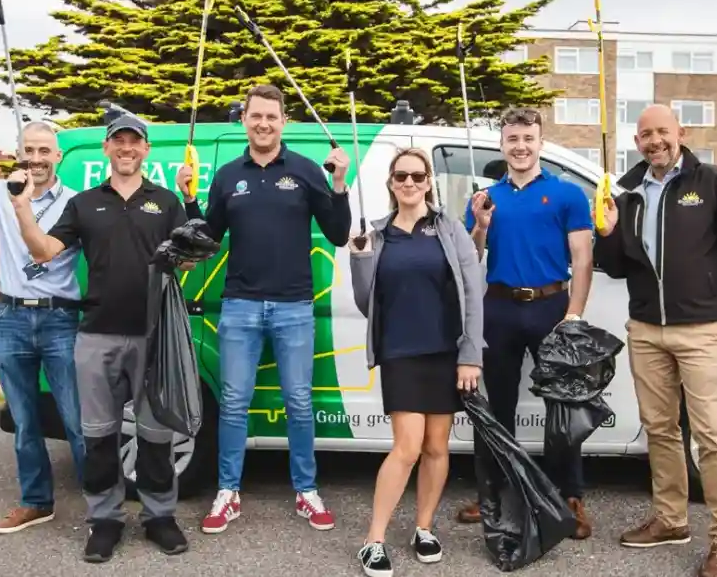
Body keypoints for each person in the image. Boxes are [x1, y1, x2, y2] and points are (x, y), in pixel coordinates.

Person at [593, 104, 717, 577]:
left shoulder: (714, 183)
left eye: (662, 131)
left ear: (680, 133)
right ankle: (670, 519)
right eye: (645, 134)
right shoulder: (627, 193)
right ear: (636, 142)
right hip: (645, 330)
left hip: (702, 330)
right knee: (660, 430)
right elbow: (618, 267)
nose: (654, 141)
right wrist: (606, 233)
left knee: (713, 438)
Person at [10, 115, 196, 563]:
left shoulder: (167, 201)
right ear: (107, 149)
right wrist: (20, 206)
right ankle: (105, 520)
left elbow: (190, 259)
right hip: (96, 334)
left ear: (145, 150)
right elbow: (44, 251)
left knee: (154, 435)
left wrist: (187, 239)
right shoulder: (85, 203)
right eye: (119, 141)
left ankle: (159, 517)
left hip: (155, 336)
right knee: (98, 436)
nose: (127, 148)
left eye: (135, 142)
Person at [177, 84, 352, 535]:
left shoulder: (307, 171)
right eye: (256, 116)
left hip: (294, 306)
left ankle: (306, 491)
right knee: (234, 403)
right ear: (245, 121)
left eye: (272, 117)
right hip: (239, 306)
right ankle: (228, 492)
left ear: (283, 121)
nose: (264, 124)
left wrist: (337, 185)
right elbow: (206, 238)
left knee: (298, 402)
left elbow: (336, 233)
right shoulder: (228, 175)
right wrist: (189, 198)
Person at [457, 106, 596, 538]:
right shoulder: (484, 198)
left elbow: (583, 258)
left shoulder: (567, 194)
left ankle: (569, 495)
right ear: (502, 144)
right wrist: (480, 225)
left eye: (528, 139)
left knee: (564, 405)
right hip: (498, 308)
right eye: (512, 139)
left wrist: (574, 314)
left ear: (540, 142)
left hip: (552, 307)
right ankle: (493, 490)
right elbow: (472, 256)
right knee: (497, 407)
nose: (520, 147)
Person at [347, 147, 484, 577]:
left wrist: (470, 356)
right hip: (400, 351)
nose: (409, 183)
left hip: (446, 352)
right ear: (391, 183)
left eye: (417, 176)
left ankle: (424, 528)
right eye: (401, 176)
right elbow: (366, 302)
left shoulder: (449, 229)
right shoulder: (378, 233)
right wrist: (360, 258)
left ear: (429, 182)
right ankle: (373, 540)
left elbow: (472, 295)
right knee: (406, 448)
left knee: (436, 447)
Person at [0, 121, 85, 535]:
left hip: (61, 319)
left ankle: (101, 506)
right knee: (25, 421)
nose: (37, 158)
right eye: (30, 150)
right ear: (18, 153)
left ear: (58, 156)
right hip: (9, 320)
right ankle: (36, 502)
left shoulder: (76, 204)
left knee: (78, 420)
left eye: (45, 151)